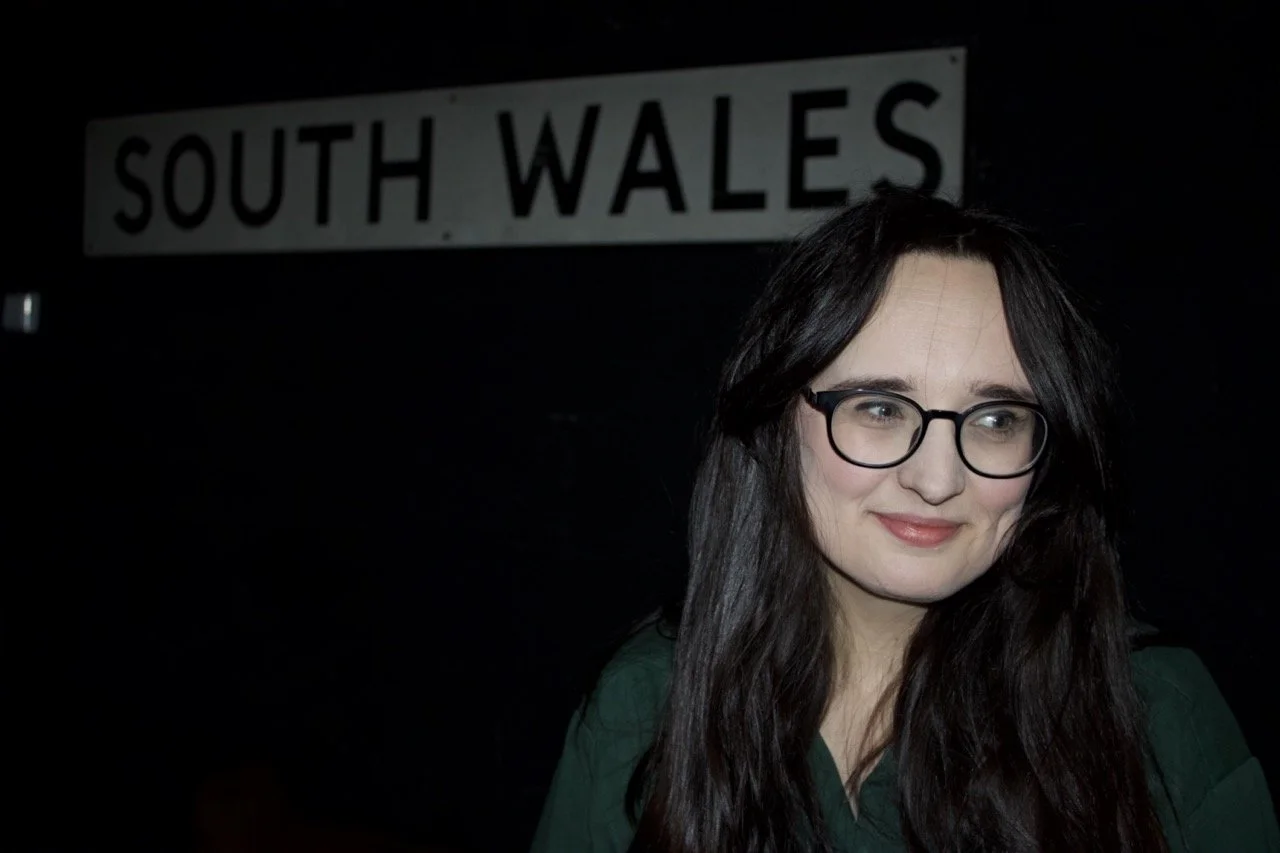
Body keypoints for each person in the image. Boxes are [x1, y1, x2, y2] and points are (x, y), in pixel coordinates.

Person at [529, 188, 1279, 852]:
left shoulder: (1157, 715)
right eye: (880, 408)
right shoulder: (644, 704)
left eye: (994, 418)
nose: (937, 477)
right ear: (774, 419)